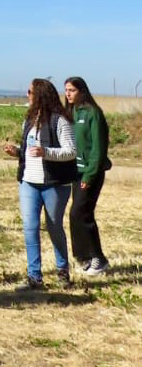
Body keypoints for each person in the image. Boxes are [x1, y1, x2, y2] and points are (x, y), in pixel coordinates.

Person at [3, 78, 77, 290]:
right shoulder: (28, 120)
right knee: (30, 227)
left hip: (54, 183)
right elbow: (29, 150)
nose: (27, 95)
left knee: (54, 227)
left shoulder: (60, 120)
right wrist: (16, 151)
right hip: (29, 182)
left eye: (30, 92)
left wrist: (47, 152)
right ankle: (34, 276)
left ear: (40, 95)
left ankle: (62, 271)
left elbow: (71, 151)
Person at [64, 76, 111, 276]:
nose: (68, 94)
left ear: (82, 91)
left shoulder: (93, 113)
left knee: (79, 213)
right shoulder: (70, 112)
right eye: (66, 90)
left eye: (72, 90)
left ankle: (97, 258)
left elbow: (98, 150)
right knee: (80, 214)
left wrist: (89, 176)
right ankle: (85, 257)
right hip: (76, 172)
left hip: (90, 173)